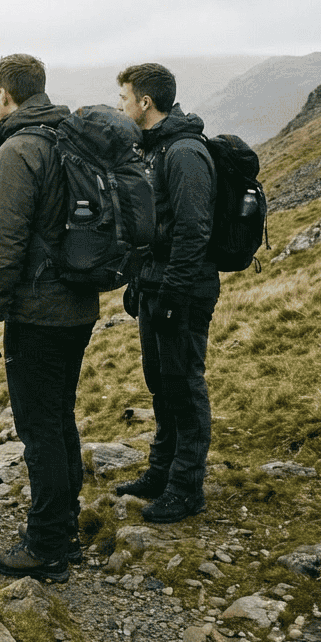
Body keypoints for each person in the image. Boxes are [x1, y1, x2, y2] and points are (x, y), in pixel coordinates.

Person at [0, 54, 99, 584]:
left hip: (38, 311)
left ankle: (46, 545)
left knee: (41, 428)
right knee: (59, 419)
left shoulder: (19, 150)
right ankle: (63, 532)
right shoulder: (70, 138)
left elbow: (4, 245)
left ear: (5, 94)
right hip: (78, 303)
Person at [114, 63, 218, 524]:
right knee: (161, 384)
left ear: (145, 103)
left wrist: (174, 291)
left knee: (184, 387)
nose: (120, 107)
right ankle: (162, 472)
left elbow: (194, 230)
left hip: (184, 291)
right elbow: (157, 228)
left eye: (123, 99)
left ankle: (186, 488)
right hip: (158, 287)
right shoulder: (155, 150)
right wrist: (140, 281)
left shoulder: (184, 153)